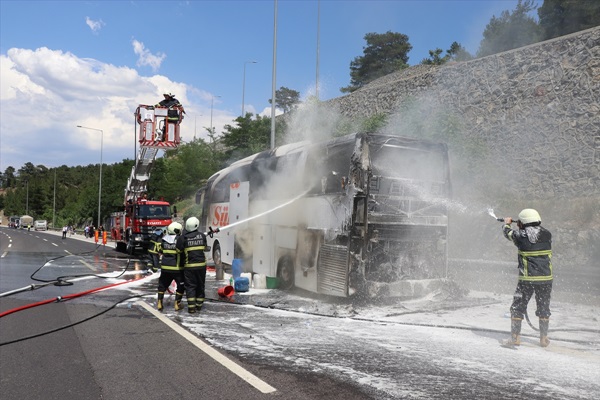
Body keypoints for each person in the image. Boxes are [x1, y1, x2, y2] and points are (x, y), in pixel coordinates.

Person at [502, 208, 553, 347]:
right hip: (546, 279)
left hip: (527, 280)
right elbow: (533, 233)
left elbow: (508, 233)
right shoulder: (547, 234)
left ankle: (515, 338)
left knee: (517, 307)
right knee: (544, 307)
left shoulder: (520, 236)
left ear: (523, 223)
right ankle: (543, 339)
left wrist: (507, 223)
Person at [156, 222, 185, 312]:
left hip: (165, 268)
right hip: (177, 269)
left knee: (162, 285)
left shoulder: (164, 239)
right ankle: (177, 304)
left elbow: (160, 251)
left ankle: (160, 302)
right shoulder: (179, 240)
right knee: (180, 287)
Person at [181, 217, 208, 314]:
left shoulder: (183, 238)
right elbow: (204, 247)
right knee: (200, 285)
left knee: (190, 286)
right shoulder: (202, 236)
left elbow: (179, 251)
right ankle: (199, 306)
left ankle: (191, 307)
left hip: (189, 267)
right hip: (201, 266)